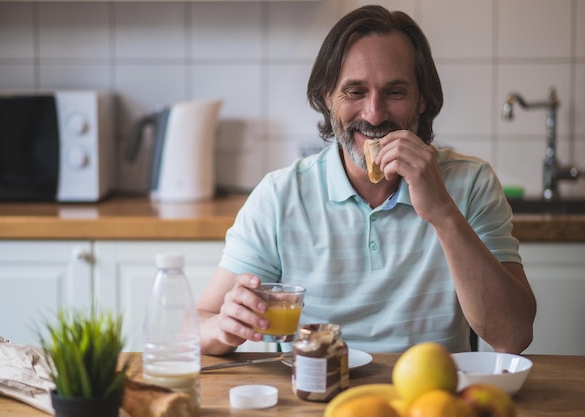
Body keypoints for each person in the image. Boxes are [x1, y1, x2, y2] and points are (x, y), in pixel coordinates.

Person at [197, 4, 536, 355]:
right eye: (355, 92)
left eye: (395, 92)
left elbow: (513, 336)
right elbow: (196, 323)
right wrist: (223, 329)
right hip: (313, 399)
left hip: (428, 399)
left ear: (422, 99)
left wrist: (443, 213)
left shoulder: (471, 184)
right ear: (327, 96)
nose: (374, 115)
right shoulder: (280, 196)